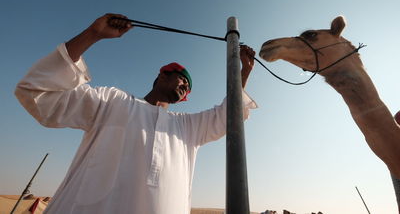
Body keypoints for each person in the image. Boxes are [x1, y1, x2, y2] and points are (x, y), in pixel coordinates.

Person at [15, 13, 257, 214]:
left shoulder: (188, 127)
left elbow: (229, 116)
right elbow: (39, 94)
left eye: (188, 88)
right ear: (163, 75)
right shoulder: (112, 101)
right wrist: (93, 34)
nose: (185, 87)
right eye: (182, 79)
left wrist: (242, 73)